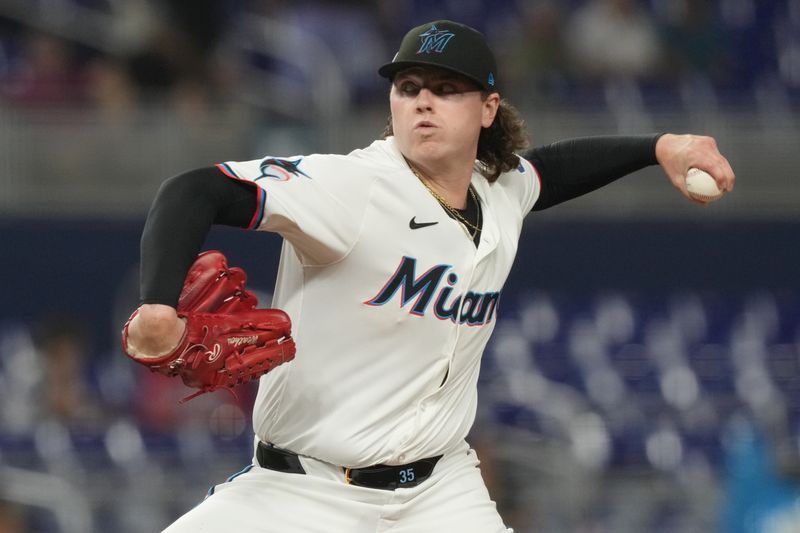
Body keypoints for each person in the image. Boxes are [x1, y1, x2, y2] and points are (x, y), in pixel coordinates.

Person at [123, 20, 735, 532]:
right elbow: (194, 190)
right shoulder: (352, 187)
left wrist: (658, 147)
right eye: (408, 85)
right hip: (299, 493)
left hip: (439, 494)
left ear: (488, 109)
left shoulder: (498, 190)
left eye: (446, 89)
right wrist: (156, 307)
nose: (421, 100)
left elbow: (551, 172)